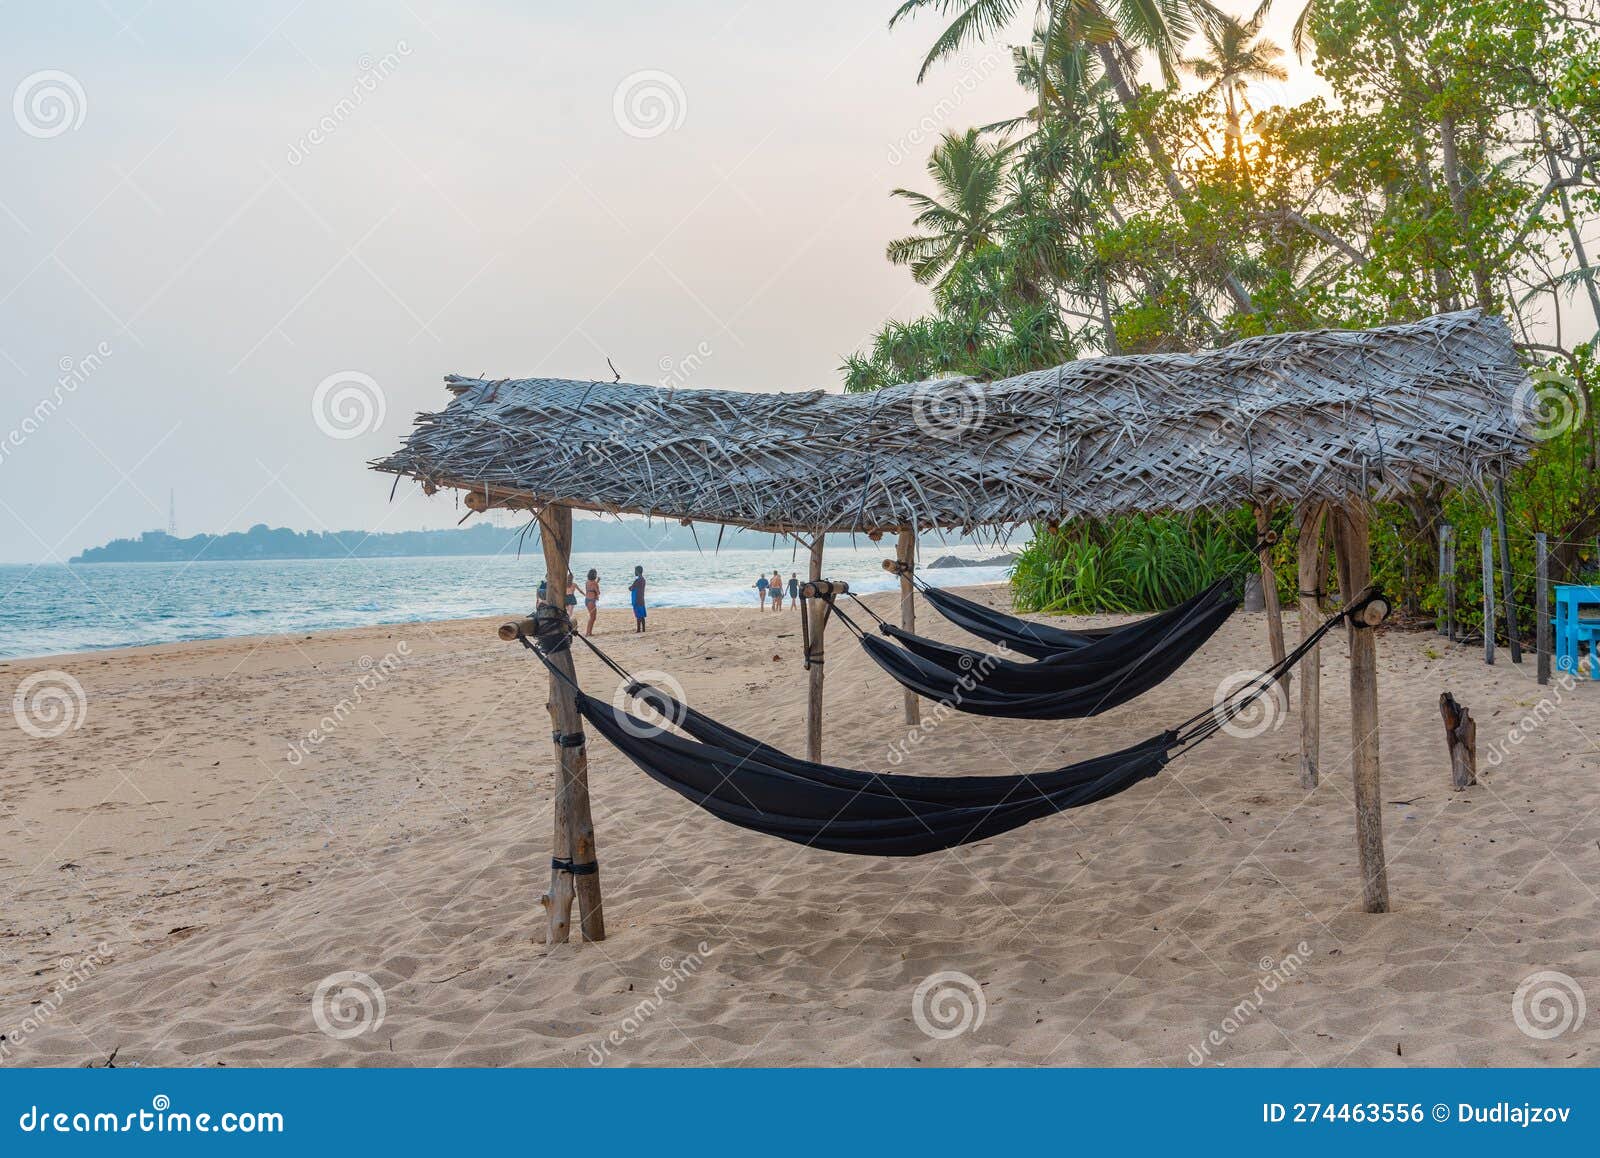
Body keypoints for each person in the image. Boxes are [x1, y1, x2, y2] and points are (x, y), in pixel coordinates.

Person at [629, 565, 647, 633]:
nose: (634, 572)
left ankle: (638, 629)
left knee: (638, 615)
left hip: (637, 599)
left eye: (635, 571)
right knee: (642, 616)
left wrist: (630, 587)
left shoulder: (637, 580)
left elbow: (631, 588)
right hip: (641, 599)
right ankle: (644, 629)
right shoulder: (643, 580)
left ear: (637, 571)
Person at [583, 568, 601, 636]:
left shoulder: (587, 582)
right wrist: (597, 583)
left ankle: (589, 632)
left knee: (592, 617)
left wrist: (597, 581)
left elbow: (591, 587)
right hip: (591, 601)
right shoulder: (595, 583)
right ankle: (588, 632)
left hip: (587, 600)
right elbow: (598, 592)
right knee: (593, 617)